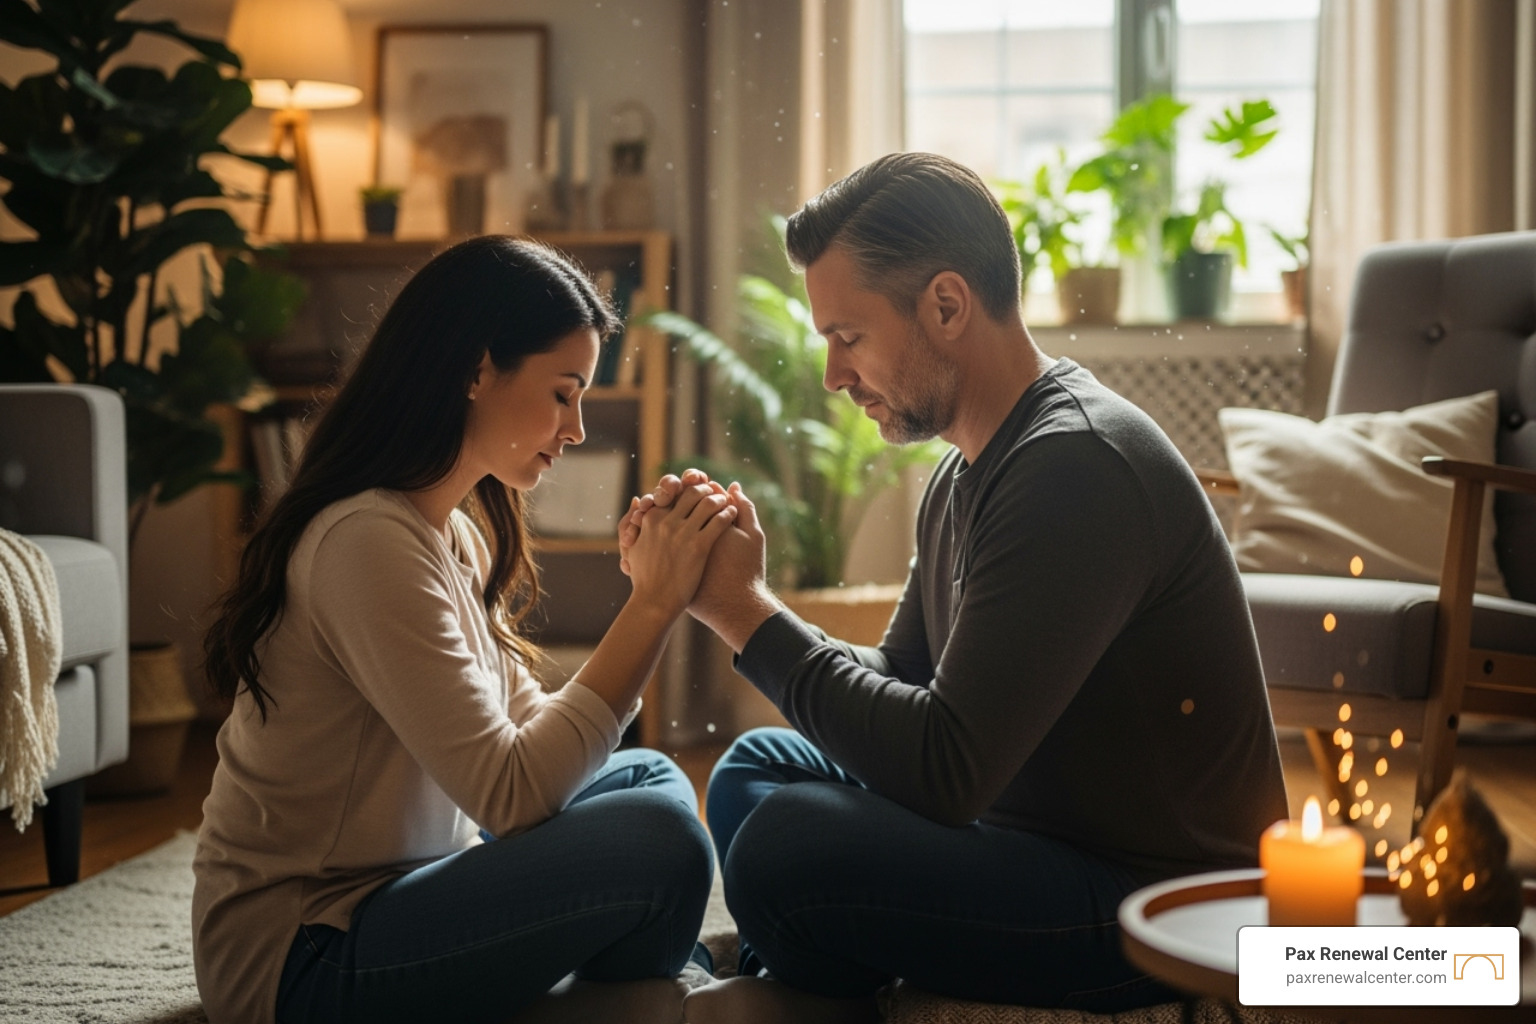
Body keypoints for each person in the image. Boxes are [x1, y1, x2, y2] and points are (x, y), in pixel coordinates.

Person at [623, 152, 1289, 1024]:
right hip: (1028, 836)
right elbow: (903, 679)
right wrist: (747, 596)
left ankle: (799, 976)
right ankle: (804, 967)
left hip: (1155, 908)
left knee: (785, 848)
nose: (831, 375)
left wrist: (745, 616)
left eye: (847, 337)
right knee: (759, 770)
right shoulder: (967, 472)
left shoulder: (1076, 465)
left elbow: (944, 772)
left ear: (945, 305)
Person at [194, 236, 737, 1024]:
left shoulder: (453, 532)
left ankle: (641, 996)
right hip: (303, 956)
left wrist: (650, 593)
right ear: (479, 370)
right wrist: (652, 605)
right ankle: (659, 998)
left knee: (645, 780)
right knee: (659, 840)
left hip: (403, 891)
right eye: (563, 392)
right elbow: (512, 794)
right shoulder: (364, 541)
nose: (577, 427)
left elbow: (525, 740)